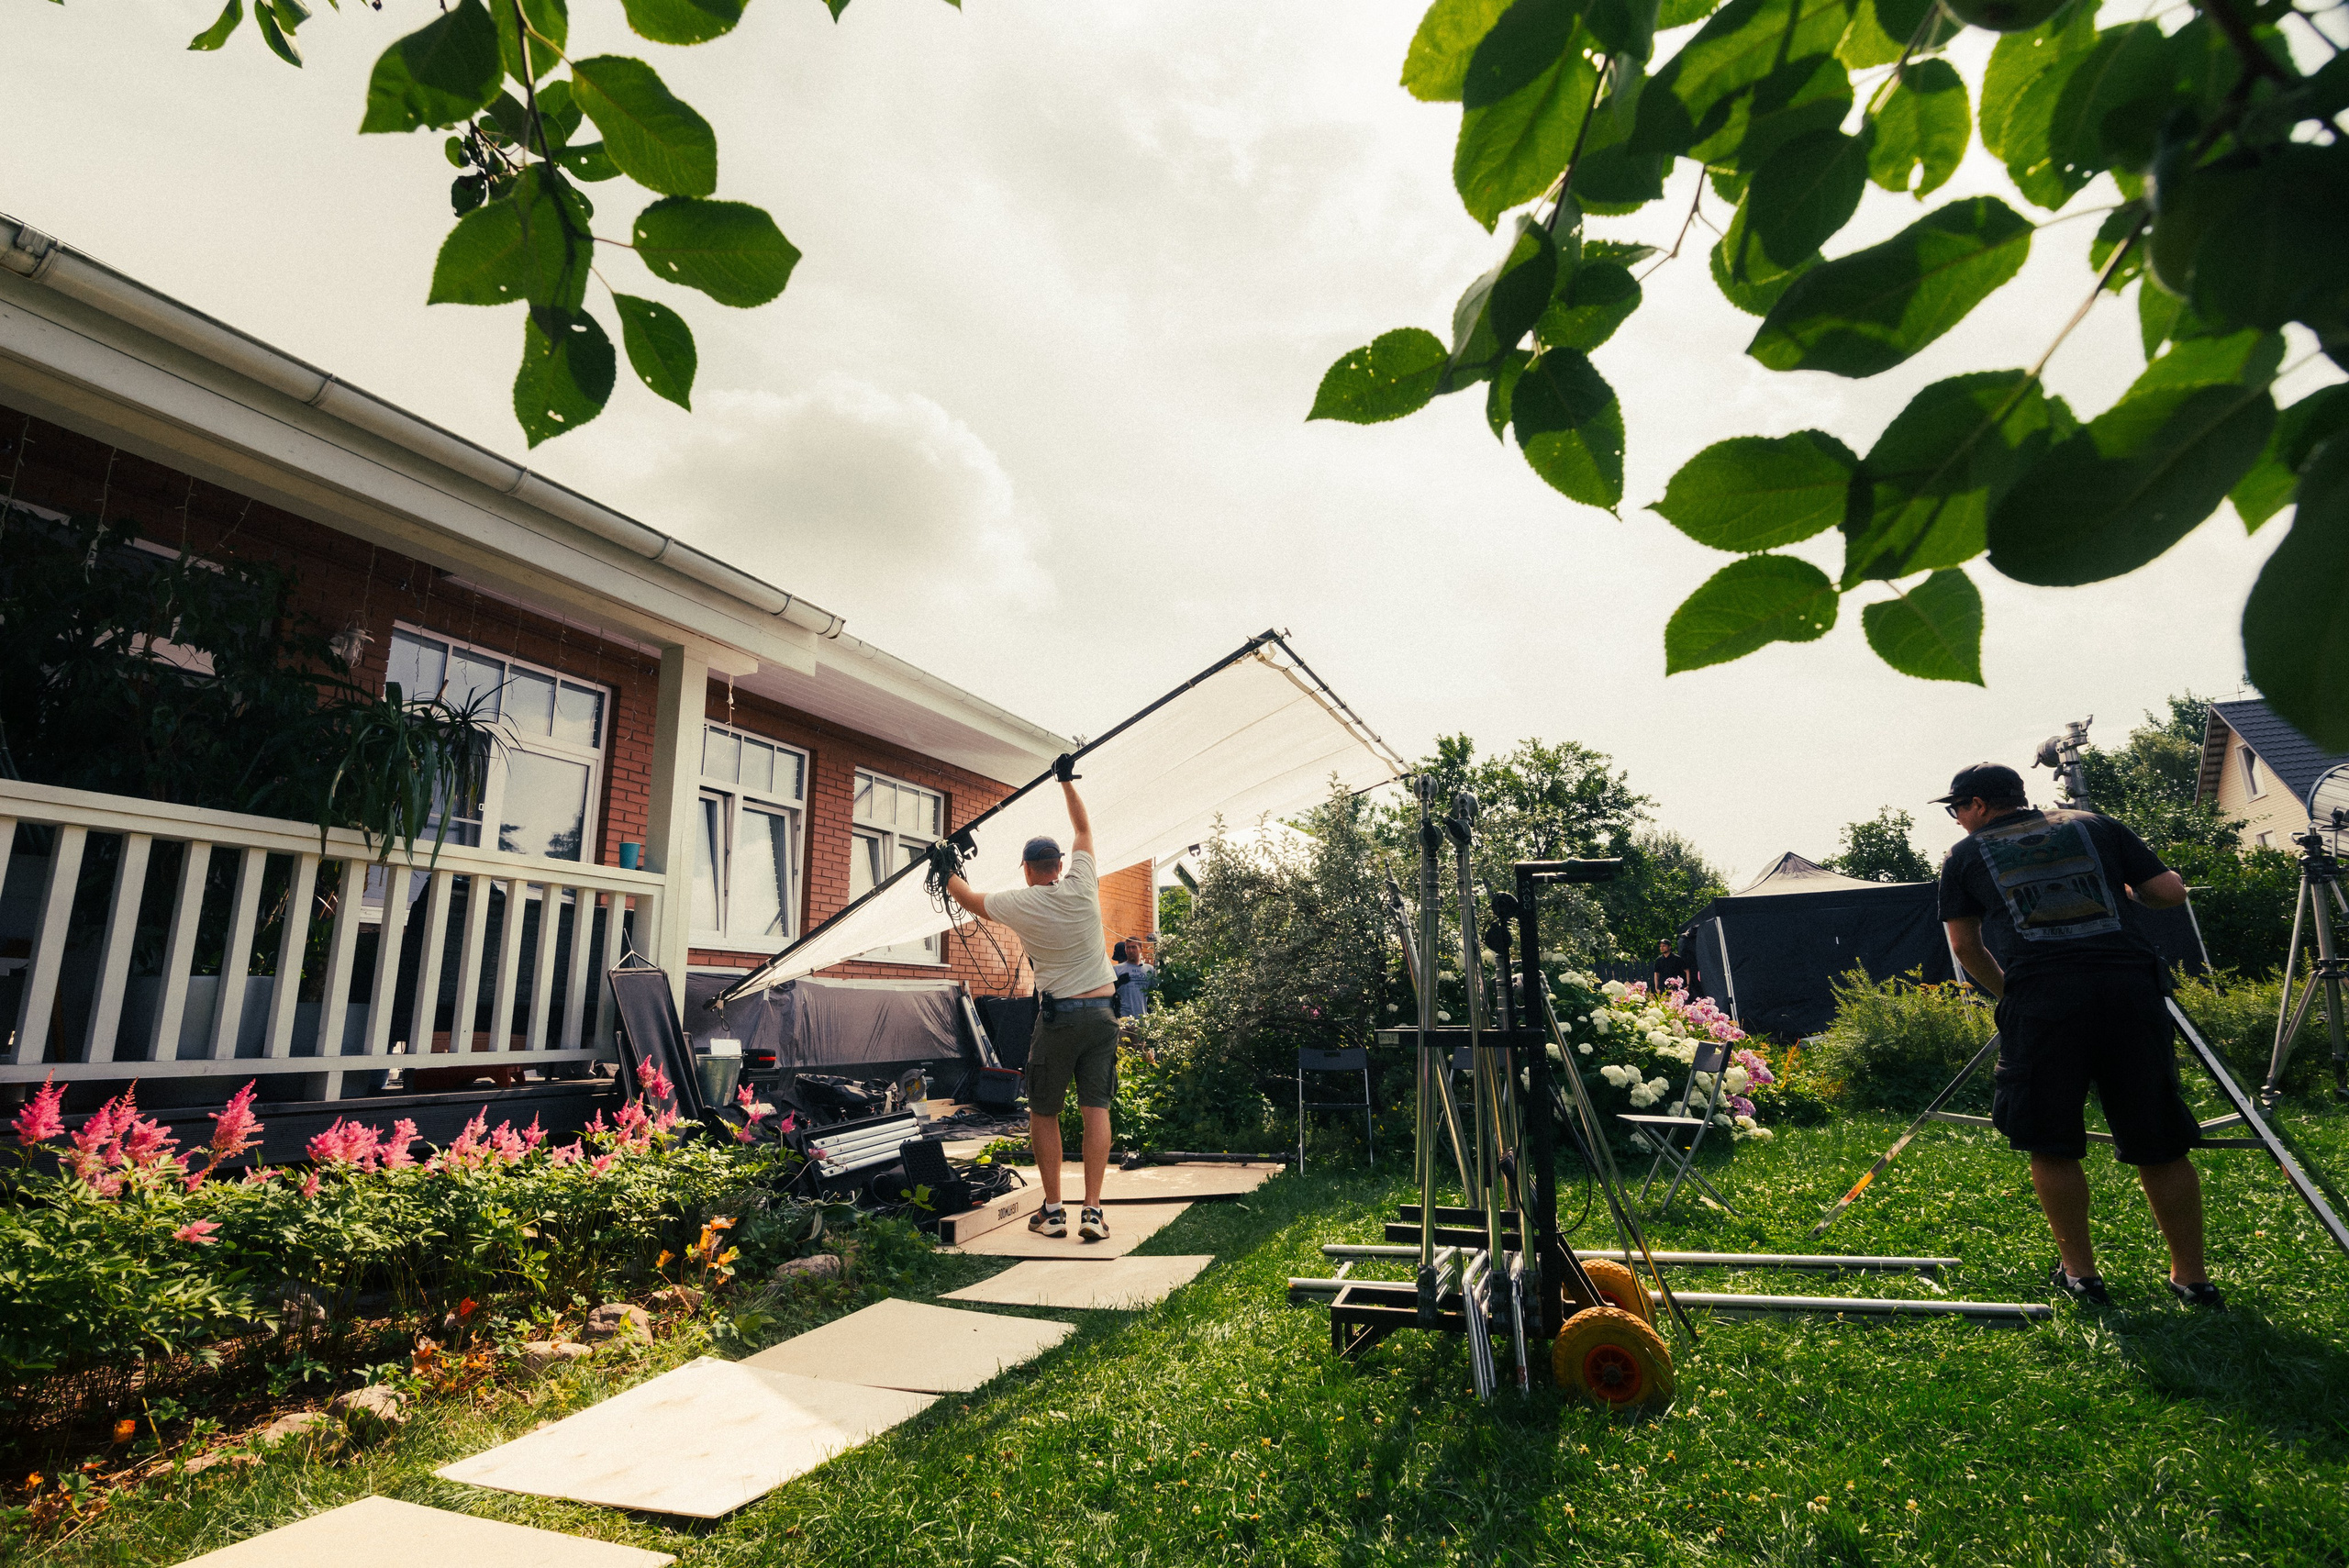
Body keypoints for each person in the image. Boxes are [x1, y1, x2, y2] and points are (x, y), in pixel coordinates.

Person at [1933, 762, 2220, 1309]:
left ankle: (2082, 1276)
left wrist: (2011, 994)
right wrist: (2130, 894)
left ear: (1978, 805)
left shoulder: (1964, 856)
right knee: (2159, 1138)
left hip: (2043, 1004)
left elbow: (1965, 947)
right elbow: (2168, 891)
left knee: (2051, 1141)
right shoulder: (2096, 824)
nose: (1957, 820)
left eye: (1956, 809)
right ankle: (2192, 1279)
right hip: (2129, 992)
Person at [941, 758, 1117, 1243]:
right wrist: (1066, 782)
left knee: (1044, 1111)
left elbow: (967, 898)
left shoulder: (1019, 903)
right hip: (1103, 1016)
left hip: (1059, 1020)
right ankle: (1093, 1212)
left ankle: (1054, 1212)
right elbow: (1083, 829)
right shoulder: (1083, 885)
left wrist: (946, 865)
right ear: (1060, 866)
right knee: (1096, 1110)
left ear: (1026, 870)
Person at [1112, 941, 1158, 1020]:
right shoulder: (1116, 969)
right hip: (1123, 1018)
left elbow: (1155, 993)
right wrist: (1118, 983)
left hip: (1143, 1018)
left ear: (1140, 949)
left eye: (1134, 947)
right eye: (1128, 948)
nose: (1131, 951)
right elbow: (1109, 993)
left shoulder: (1149, 970)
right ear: (1125, 950)